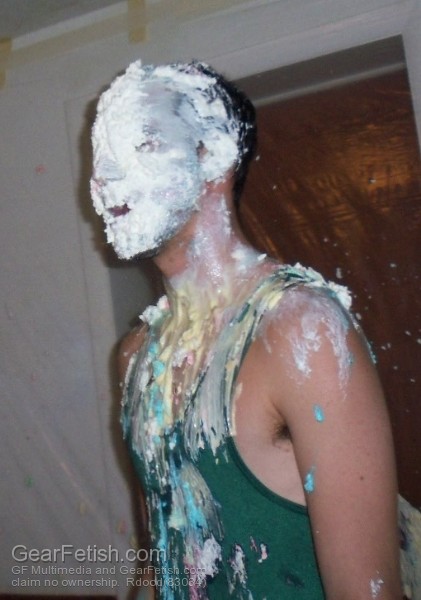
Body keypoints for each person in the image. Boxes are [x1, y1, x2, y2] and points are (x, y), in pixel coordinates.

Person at [90, 60, 402, 599]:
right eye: (102, 154)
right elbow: (164, 557)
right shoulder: (137, 356)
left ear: (214, 157)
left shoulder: (300, 334)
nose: (105, 176)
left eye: (140, 144)